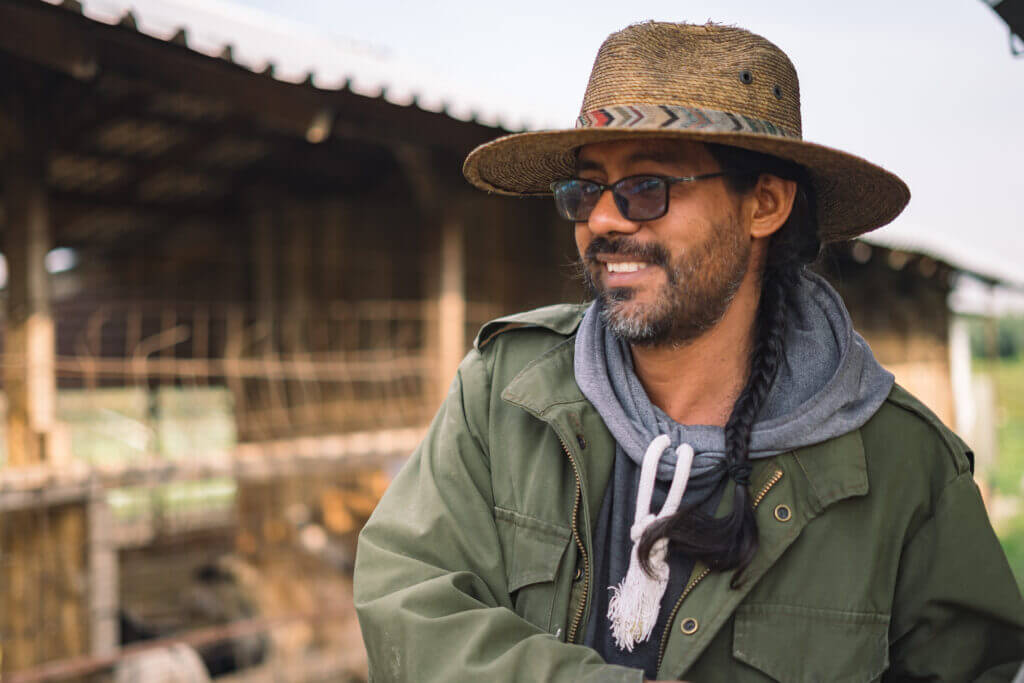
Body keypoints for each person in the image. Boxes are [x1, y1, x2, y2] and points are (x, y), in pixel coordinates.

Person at [354, 21, 1024, 681]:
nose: (604, 219)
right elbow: (410, 599)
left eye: (648, 187)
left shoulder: (904, 468)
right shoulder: (503, 393)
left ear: (764, 204)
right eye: (586, 189)